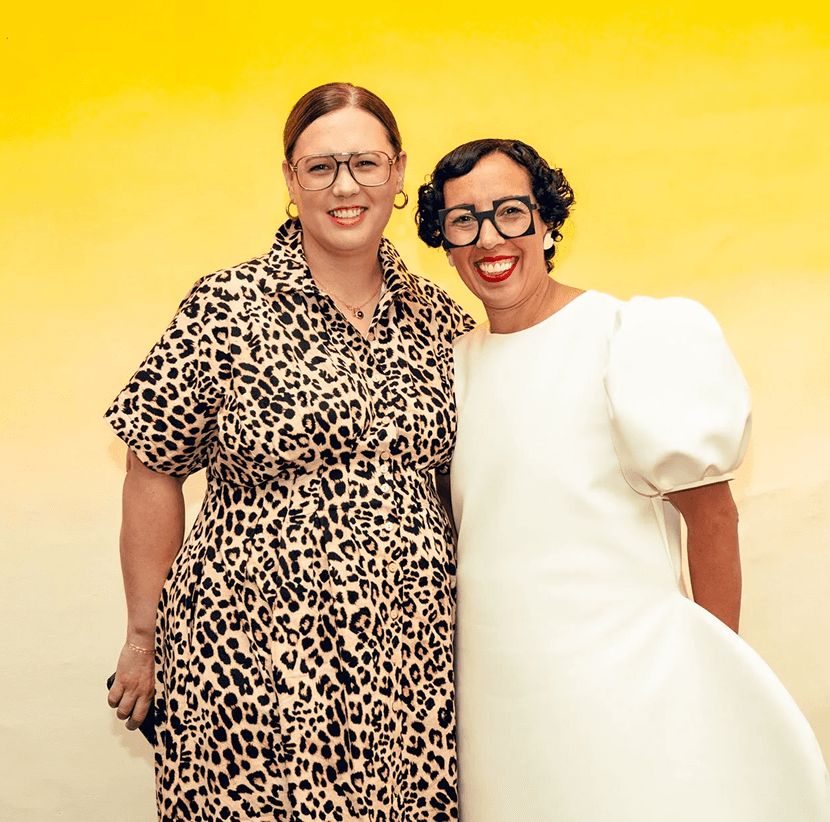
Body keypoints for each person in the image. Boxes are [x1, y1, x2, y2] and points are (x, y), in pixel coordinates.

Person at [415, 138, 830, 821]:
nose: (490, 238)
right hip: (501, 701)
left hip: (631, 686)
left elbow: (713, 517)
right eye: (465, 220)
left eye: (511, 212)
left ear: (547, 223)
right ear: (447, 241)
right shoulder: (450, 369)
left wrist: (716, 680)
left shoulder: (624, 337)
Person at [105, 82, 474, 821]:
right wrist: (143, 636)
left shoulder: (443, 319)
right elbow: (152, 467)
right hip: (251, 659)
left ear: (399, 172)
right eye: (321, 167)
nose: (346, 187)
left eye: (366, 164)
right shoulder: (226, 305)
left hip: (410, 663)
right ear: (289, 179)